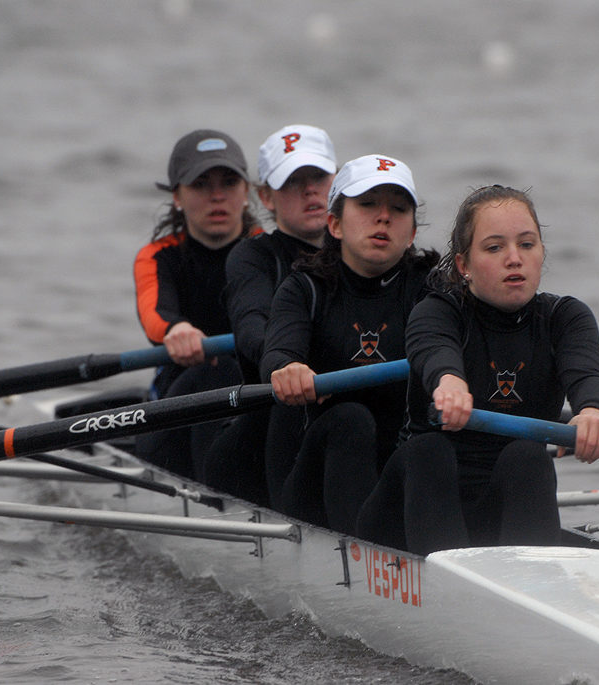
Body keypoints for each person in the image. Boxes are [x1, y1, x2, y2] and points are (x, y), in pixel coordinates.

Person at [356, 185, 599, 555]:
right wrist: (449, 382)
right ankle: (451, 588)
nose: (514, 258)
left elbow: (586, 370)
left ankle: (532, 585)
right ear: (463, 266)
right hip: (409, 514)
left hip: (498, 511)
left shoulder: (566, 318)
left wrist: (593, 411)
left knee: (528, 457)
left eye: (527, 244)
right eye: (495, 248)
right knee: (429, 450)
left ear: (542, 252)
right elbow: (434, 348)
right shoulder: (437, 310)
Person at [260, 154, 438, 533]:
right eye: (368, 204)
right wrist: (288, 369)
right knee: (351, 419)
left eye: (399, 208)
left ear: (411, 235)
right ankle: (361, 559)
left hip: (395, 478)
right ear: (335, 224)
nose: (384, 217)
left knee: (432, 447)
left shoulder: (432, 291)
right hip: (309, 486)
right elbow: (278, 352)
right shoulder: (304, 288)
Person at [193, 124, 337, 503]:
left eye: (318, 176)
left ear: (337, 181)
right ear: (266, 197)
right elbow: (250, 323)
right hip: (258, 440)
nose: (310, 190)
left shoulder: (368, 254)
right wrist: (285, 364)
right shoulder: (253, 256)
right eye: (294, 181)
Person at [132, 129, 257, 479]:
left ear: (246, 192)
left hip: (258, 389)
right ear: (177, 196)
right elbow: (154, 314)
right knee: (213, 371)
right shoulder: (158, 257)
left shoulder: (269, 250)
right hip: (182, 390)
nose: (217, 196)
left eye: (229, 182)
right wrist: (177, 329)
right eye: (201, 184)